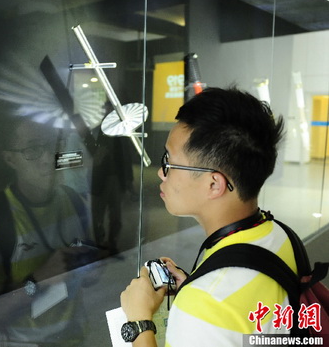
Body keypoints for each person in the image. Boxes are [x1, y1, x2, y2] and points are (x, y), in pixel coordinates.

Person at [120, 87, 290, 346]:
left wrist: (139, 322)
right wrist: (196, 283)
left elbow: (215, 312)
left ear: (214, 184)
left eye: (169, 161)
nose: (161, 173)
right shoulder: (278, 234)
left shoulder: (202, 308)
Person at [0, 117, 100, 346]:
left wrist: (89, 268)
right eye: (33, 150)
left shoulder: (73, 200)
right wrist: (39, 279)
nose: (48, 158)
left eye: (51, 145)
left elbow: (90, 275)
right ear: (10, 159)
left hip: (76, 337)